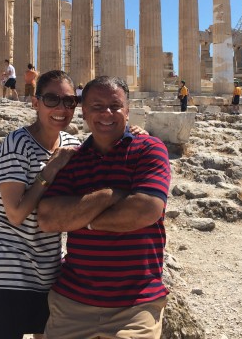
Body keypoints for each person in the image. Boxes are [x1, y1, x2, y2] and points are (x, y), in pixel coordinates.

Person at [38, 76, 171, 339]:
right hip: (72, 301)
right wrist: (110, 196)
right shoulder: (73, 159)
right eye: (97, 106)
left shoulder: (149, 149)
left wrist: (81, 219)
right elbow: (49, 217)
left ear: (128, 110)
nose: (106, 113)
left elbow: (145, 210)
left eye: (115, 105)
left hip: (137, 304)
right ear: (84, 112)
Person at [0, 70, 82, 339]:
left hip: (48, 268)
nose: (61, 108)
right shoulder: (16, 144)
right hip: (5, 268)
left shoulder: (72, 143)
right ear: (35, 102)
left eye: (69, 101)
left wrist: (131, 134)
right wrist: (50, 169)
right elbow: (16, 214)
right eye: (51, 99)